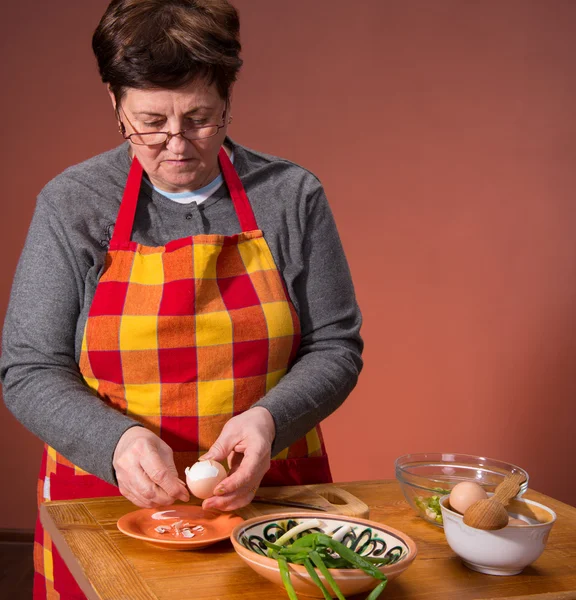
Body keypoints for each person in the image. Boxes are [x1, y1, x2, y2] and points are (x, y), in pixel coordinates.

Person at [0, 0, 363, 598]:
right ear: (115, 104)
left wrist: (269, 421)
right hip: (107, 496)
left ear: (228, 102)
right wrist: (114, 444)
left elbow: (336, 346)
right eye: (149, 121)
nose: (176, 145)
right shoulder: (73, 204)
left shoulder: (291, 197)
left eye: (199, 118)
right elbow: (29, 368)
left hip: (268, 494)